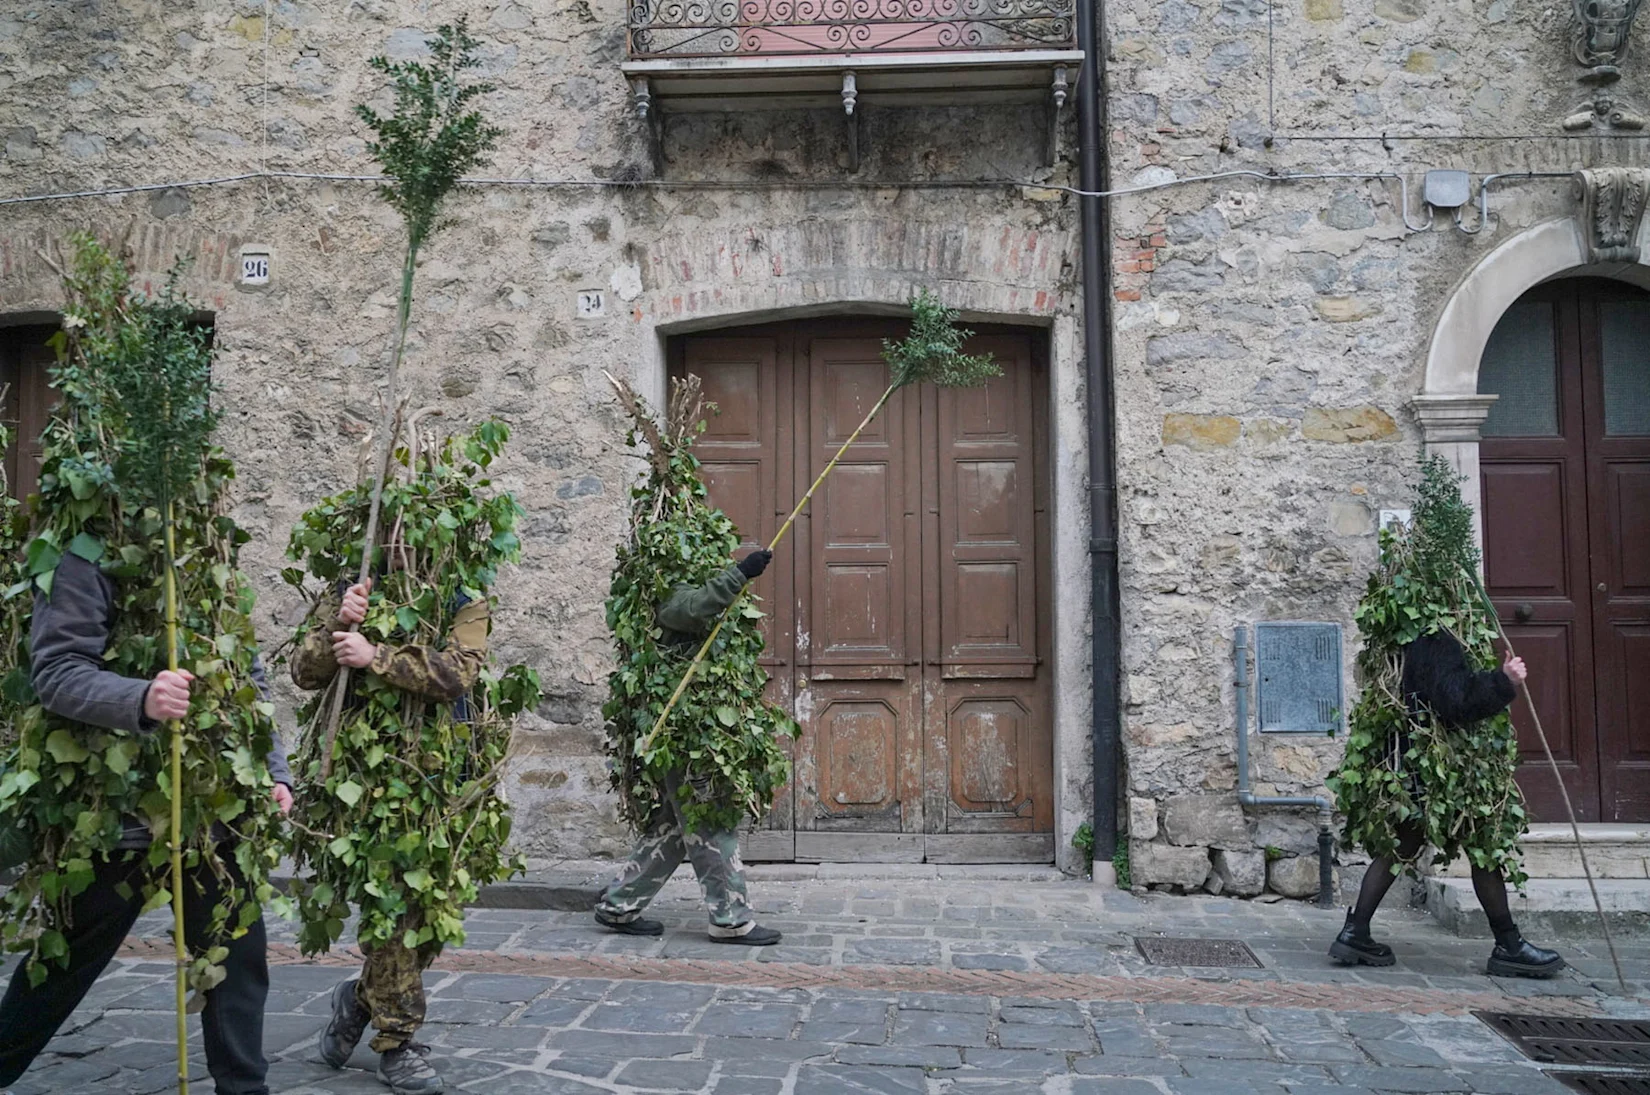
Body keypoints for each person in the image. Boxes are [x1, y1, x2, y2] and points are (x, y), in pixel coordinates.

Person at [0, 551, 293, 1095]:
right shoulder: (84, 555)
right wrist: (141, 697)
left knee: (238, 957)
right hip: (120, 817)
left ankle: (244, 1089)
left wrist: (273, 771)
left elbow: (246, 677)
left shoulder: (207, 552)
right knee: (65, 963)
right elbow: (57, 671)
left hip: (214, 810)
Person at [291, 575, 489, 1095]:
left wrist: (376, 655)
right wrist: (340, 625)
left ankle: (359, 1000)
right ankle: (395, 1043)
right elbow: (303, 671)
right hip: (368, 783)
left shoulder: (466, 596)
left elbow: (459, 674)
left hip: (445, 778)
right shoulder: (349, 585)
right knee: (394, 914)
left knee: (430, 917)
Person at [1330, 629, 1565, 978]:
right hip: (1441, 770)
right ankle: (1509, 946)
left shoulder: (1408, 636)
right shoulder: (1436, 640)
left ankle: (1355, 932)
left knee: (1403, 844)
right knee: (1481, 846)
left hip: (1416, 765)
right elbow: (1456, 702)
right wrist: (1504, 680)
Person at [594, 547, 783, 946]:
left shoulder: (676, 584)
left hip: (688, 729)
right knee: (709, 819)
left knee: (675, 826)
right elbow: (696, 607)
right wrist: (739, 574)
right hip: (685, 732)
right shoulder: (669, 594)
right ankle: (729, 919)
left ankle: (619, 904)